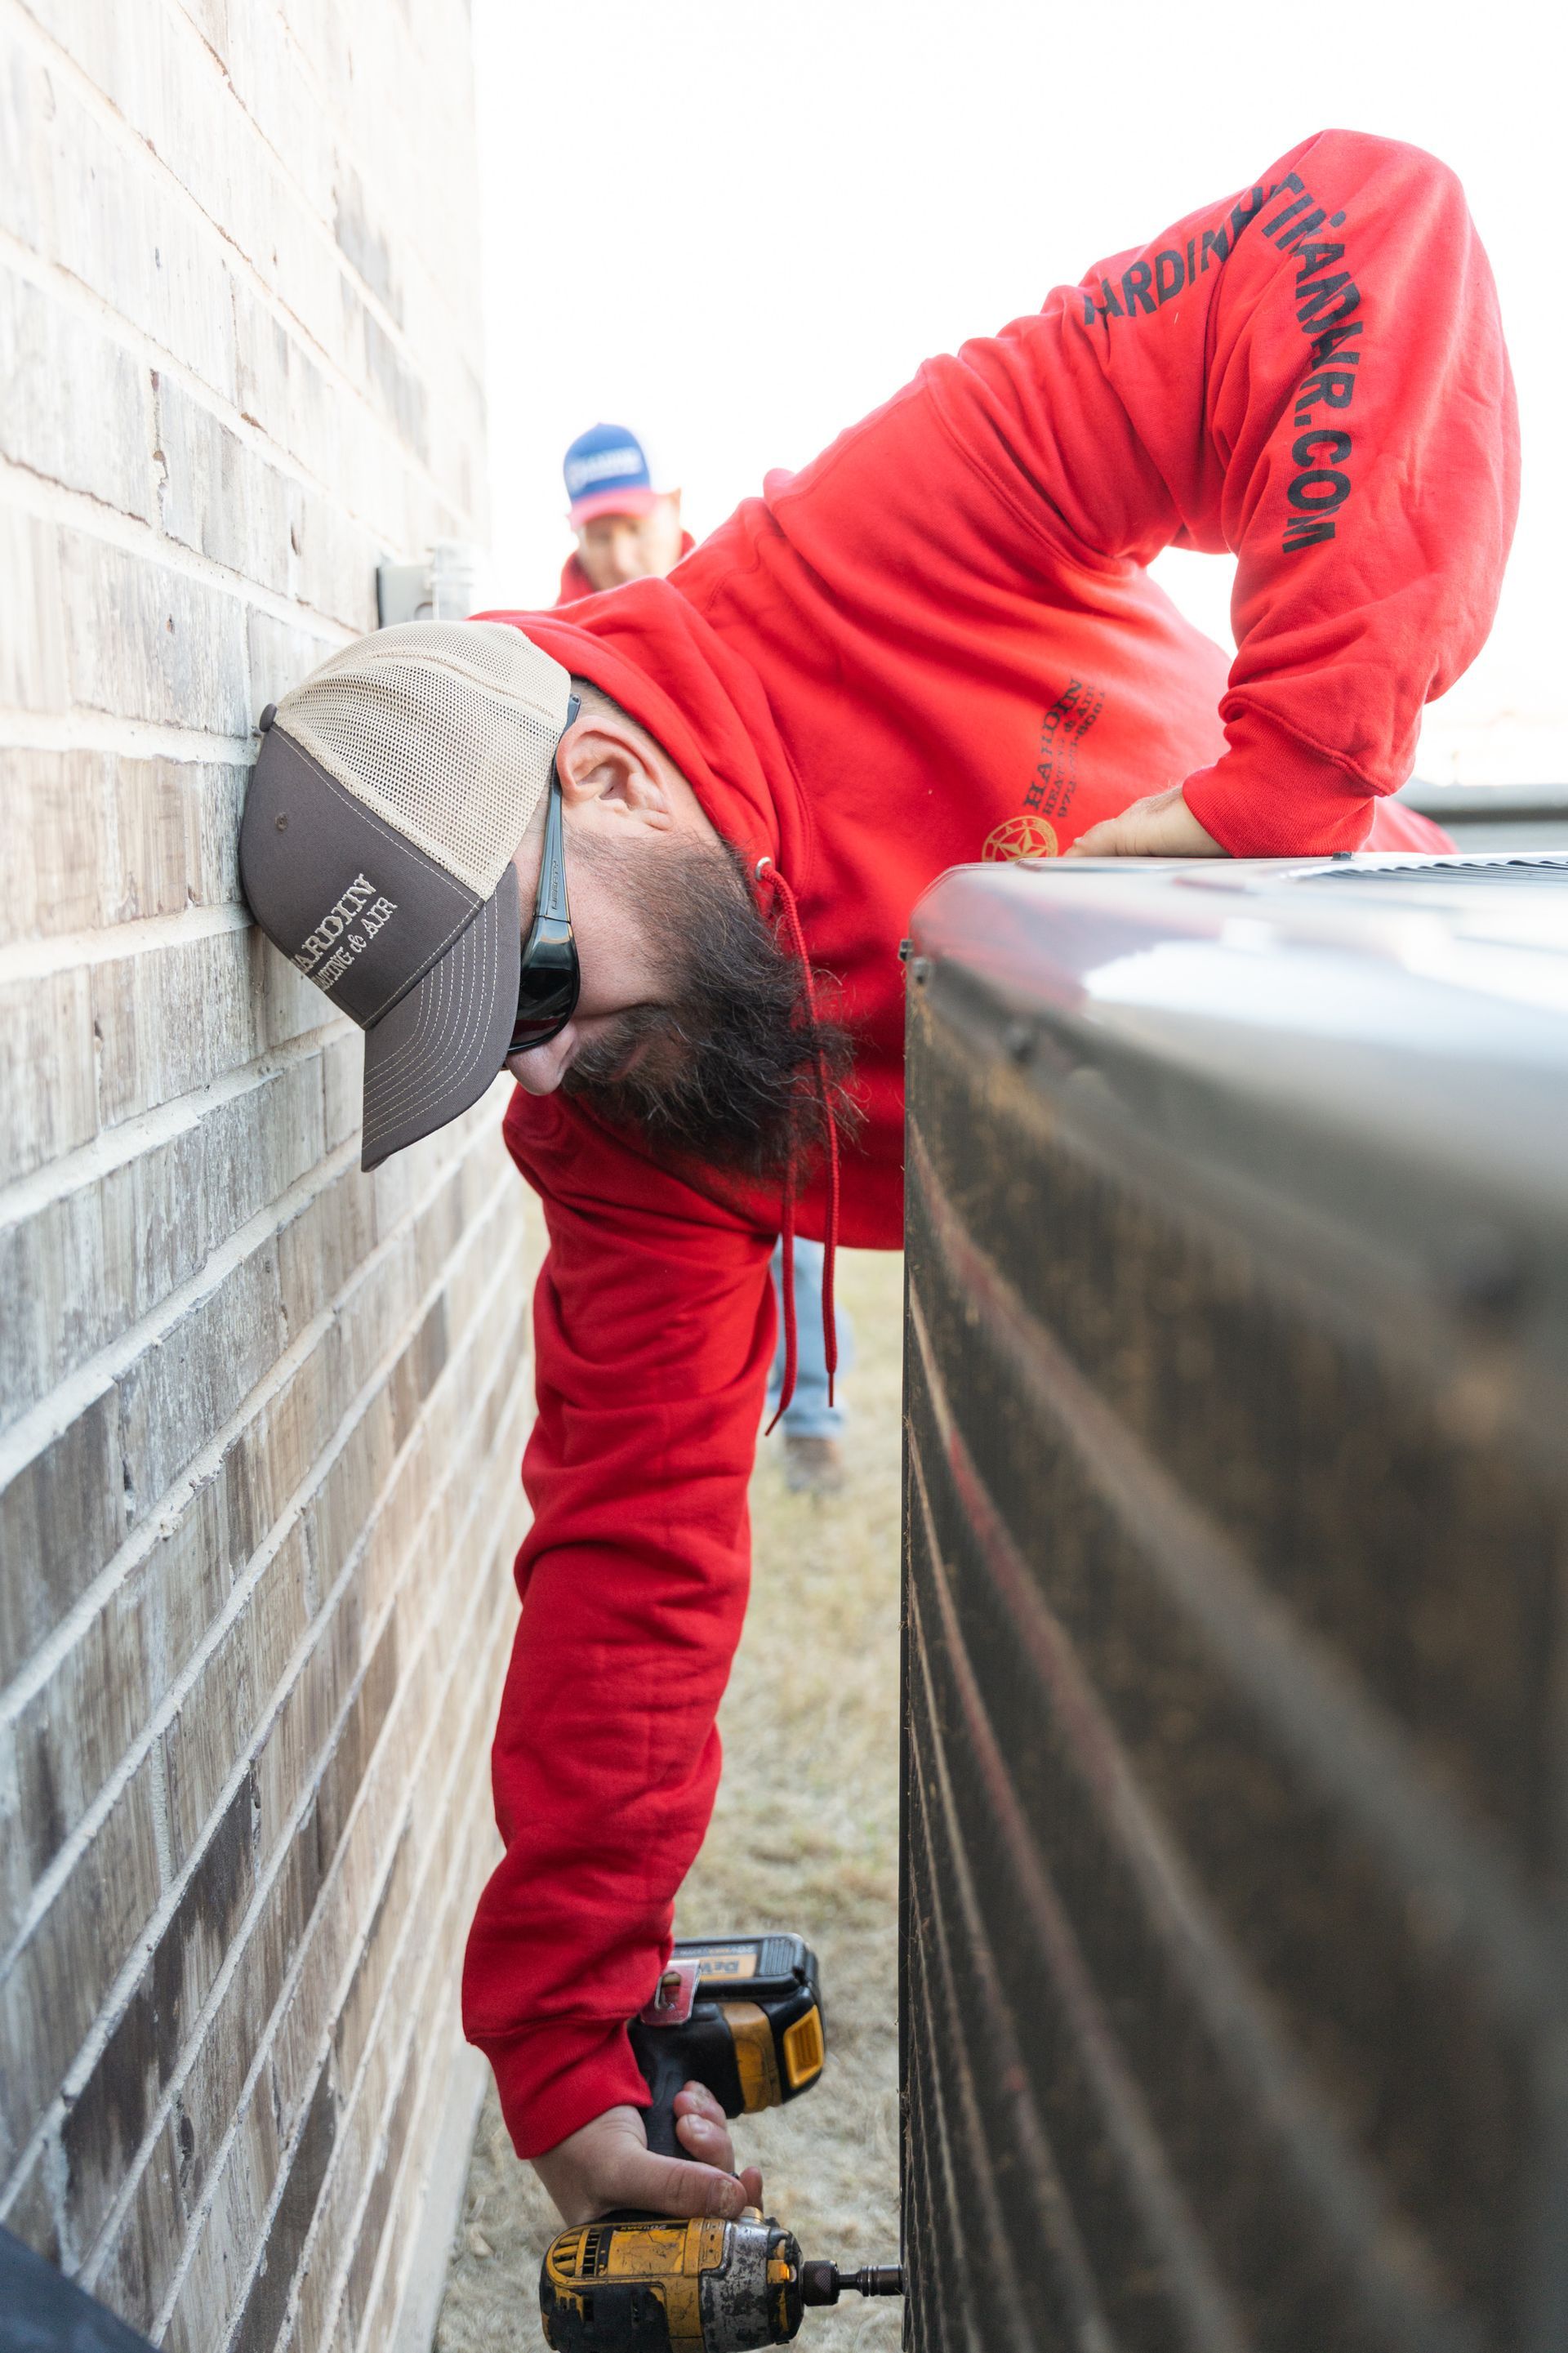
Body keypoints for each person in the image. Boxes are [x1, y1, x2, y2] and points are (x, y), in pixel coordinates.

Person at [238, 131, 1516, 2235]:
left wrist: (1286, 786)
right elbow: (630, 1551)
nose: (537, 1067)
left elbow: (1368, 228)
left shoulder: (890, 527)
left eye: (529, 976)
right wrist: (558, 2031)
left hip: (1436, 1176)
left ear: (610, 772)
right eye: (481, 1045)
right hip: (1217, 1399)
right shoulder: (624, 1118)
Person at [557, 425, 853, 1489]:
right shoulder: (559, 671)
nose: (619, 552)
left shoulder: (741, 608)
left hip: (789, 959)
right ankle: (800, 1407)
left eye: (633, 523)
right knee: (747, 1187)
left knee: (804, 1202)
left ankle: (815, 1404)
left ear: (670, 507)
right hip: (687, 1001)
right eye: (598, 534)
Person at [558, 421, 693, 599]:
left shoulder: (732, 610)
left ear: (675, 504)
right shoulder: (539, 627)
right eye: (600, 538)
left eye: (636, 530)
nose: (620, 562)